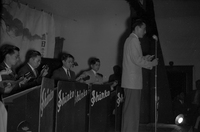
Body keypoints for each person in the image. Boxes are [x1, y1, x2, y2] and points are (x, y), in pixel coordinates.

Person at [121, 19, 158, 132]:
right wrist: (152, 63)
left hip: (132, 83)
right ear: (137, 28)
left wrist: (145, 58)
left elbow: (135, 59)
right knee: (132, 112)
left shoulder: (130, 40)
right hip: (133, 83)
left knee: (131, 112)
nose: (145, 31)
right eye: (144, 29)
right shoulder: (133, 40)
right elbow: (136, 60)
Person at [0, 44, 27, 132]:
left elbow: (12, 85)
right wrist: (17, 83)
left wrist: (20, 83)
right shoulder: (1, 69)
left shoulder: (11, 69)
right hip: (4, 105)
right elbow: (5, 90)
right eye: (16, 56)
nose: (18, 59)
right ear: (7, 55)